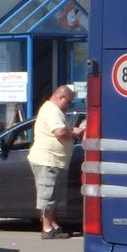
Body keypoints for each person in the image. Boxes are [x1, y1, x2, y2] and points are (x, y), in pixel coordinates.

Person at [27, 84, 85, 239]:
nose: (69, 106)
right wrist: (75, 132)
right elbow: (59, 132)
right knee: (48, 195)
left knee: (53, 195)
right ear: (61, 97)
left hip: (54, 160)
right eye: (69, 102)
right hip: (48, 160)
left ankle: (53, 224)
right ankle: (47, 229)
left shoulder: (53, 110)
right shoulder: (52, 110)